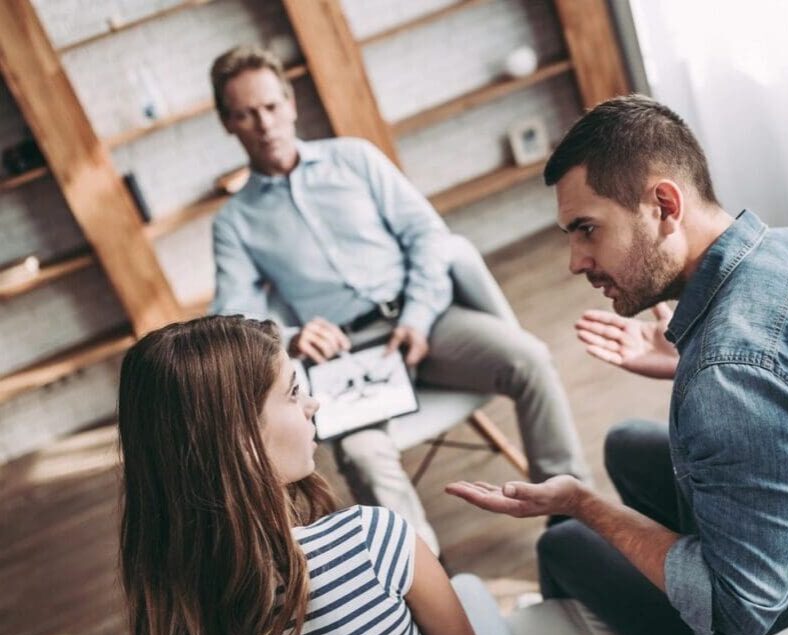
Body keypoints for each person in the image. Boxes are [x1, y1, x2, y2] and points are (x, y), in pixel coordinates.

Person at [447, 94, 788, 635]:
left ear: (663, 204)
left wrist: (584, 504)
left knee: (563, 542)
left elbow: (741, 607)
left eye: (587, 230)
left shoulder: (730, 377)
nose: (575, 260)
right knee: (624, 441)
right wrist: (686, 363)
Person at [207, 45, 590, 556]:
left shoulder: (356, 159)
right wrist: (293, 336)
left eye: (272, 106)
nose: (264, 123)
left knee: (531, 360)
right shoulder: (235, 223)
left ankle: (570, 527)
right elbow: (231, 318)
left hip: (427, 322)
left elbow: (426, 235)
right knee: (362, 456)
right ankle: (431, 588)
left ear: (291, 102)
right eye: (246, 114)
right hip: (347, 359)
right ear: (227, 123)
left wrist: (417, 315)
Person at [117, 315, 484, 635]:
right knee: (472, 592)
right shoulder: (372, 540)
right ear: (242, 440)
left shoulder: (166, 616)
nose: (314, 403)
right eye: (293, 393)